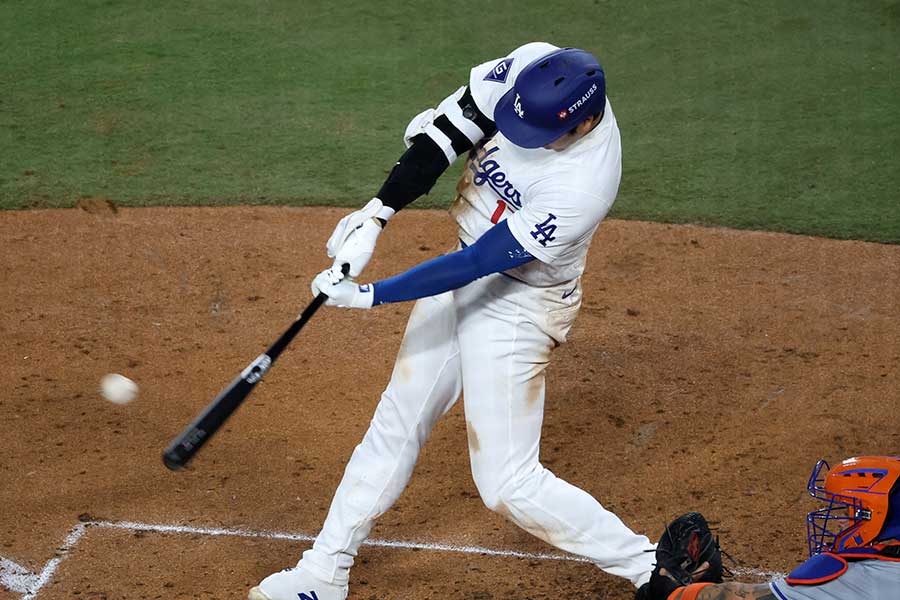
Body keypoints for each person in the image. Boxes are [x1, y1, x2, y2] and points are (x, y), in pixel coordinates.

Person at [249, 42, 656, 600]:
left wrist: (370, 295)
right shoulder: (533, 65)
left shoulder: (583, 186)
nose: (514, 137)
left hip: (519, 304)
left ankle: (652, 570)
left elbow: (476, 264)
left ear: (584, 122)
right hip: (468, 267)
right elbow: (453, 128)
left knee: (507, 484)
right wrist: (377, 213)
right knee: (397, 421)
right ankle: (324, 571)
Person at [638, 456, 900, 600]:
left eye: (849, 514)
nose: (841, 523)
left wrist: (672, 591)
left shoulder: (856, 581)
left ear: (876, 515)